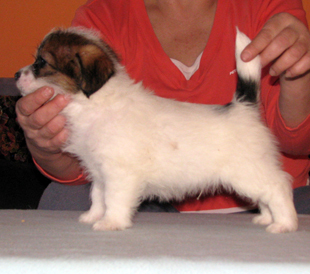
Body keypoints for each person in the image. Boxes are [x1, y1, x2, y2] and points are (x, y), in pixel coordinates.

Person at [16, 0, 310, 213]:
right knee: (64, 198)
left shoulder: (269, 7)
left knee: (252, 176)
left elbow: (297, 141)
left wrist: (299, 75)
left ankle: (277, 200)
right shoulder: (101, 17)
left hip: (272, 182)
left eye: (42, 64)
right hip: (155, 203)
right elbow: (87, 167)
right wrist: (46, 142)